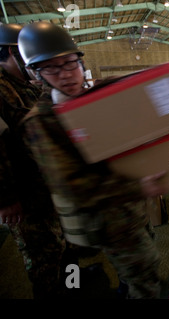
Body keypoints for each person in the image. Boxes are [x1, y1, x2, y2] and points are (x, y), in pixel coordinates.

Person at [18, 21, 168, 299]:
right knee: (145, 277)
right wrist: (140, 187)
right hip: (107, 218)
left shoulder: (93, 97)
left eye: (70, 63)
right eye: (52, 67)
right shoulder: (41, 122)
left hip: (131, 209)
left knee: (140, 267)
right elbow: (73, 186)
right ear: (34, 72)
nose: (66, 75)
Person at [0, 23, 74, 299]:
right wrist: (5, 198)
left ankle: (72, 285)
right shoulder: (2, 88)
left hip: (46, 185)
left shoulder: (25, 85)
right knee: (43, 256)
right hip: (24, 195)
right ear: (12, 52)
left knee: (63, 244)